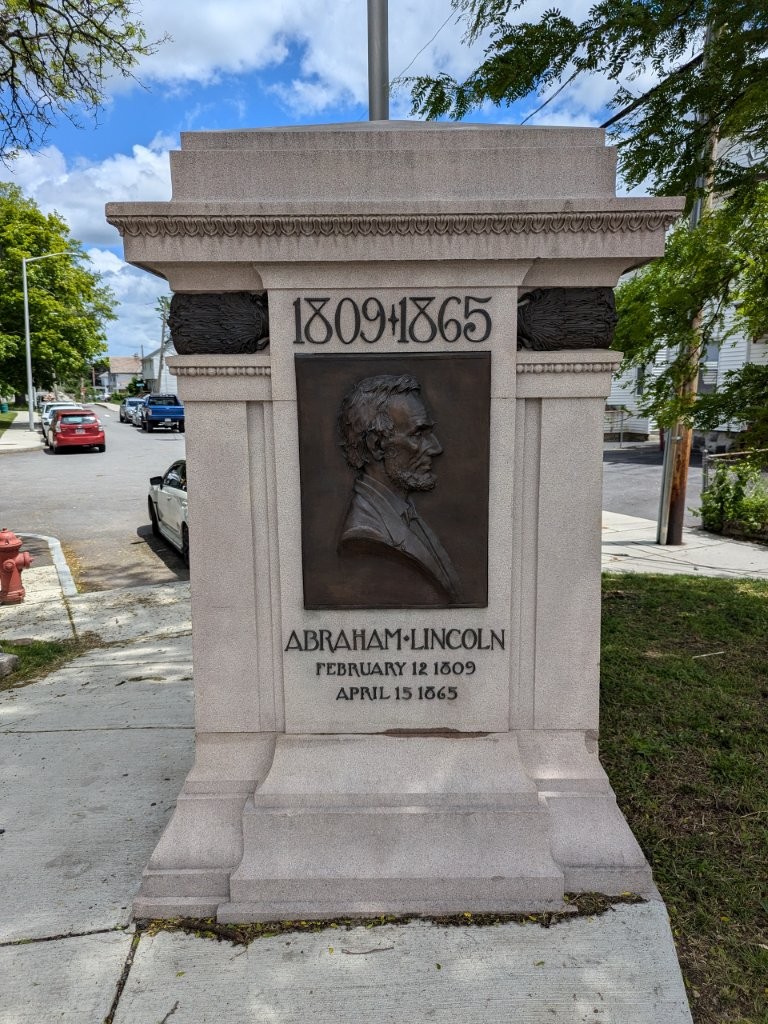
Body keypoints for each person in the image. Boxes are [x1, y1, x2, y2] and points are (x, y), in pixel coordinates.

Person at [337, 373, 462, 602]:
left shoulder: (404, 512)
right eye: (418, 434)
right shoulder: (365, 536)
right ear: (376, 445)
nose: (436, 448)